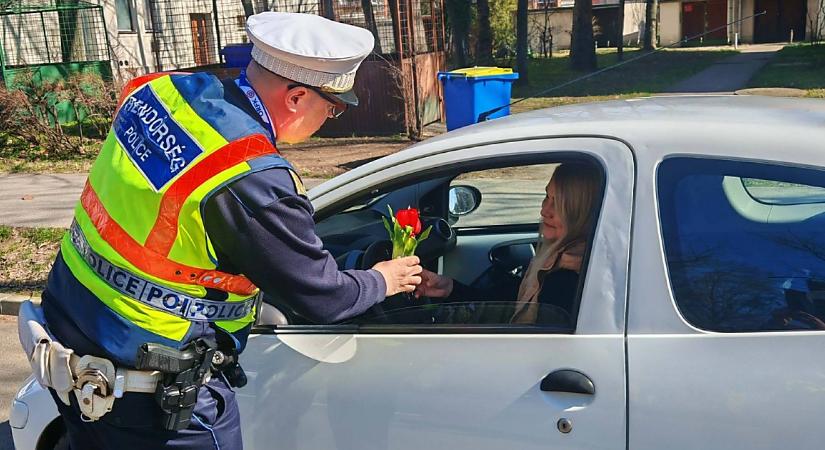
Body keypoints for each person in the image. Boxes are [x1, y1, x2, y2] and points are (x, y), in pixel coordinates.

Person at [22, 12, 422, 450]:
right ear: (296, 97)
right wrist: (384, 279)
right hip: (156, 399)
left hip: (73, 346)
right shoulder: (251, 177)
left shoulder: (155, 93)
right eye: (332, 108)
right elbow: (324, 296)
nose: (330, 119)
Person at [415, 163, 601, 324]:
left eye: (559, 203)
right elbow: (511, 303)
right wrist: (449, 288)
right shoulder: (554, 259)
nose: (545, 211)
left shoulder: (567, 279)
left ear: (582, 212)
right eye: (546, 197)